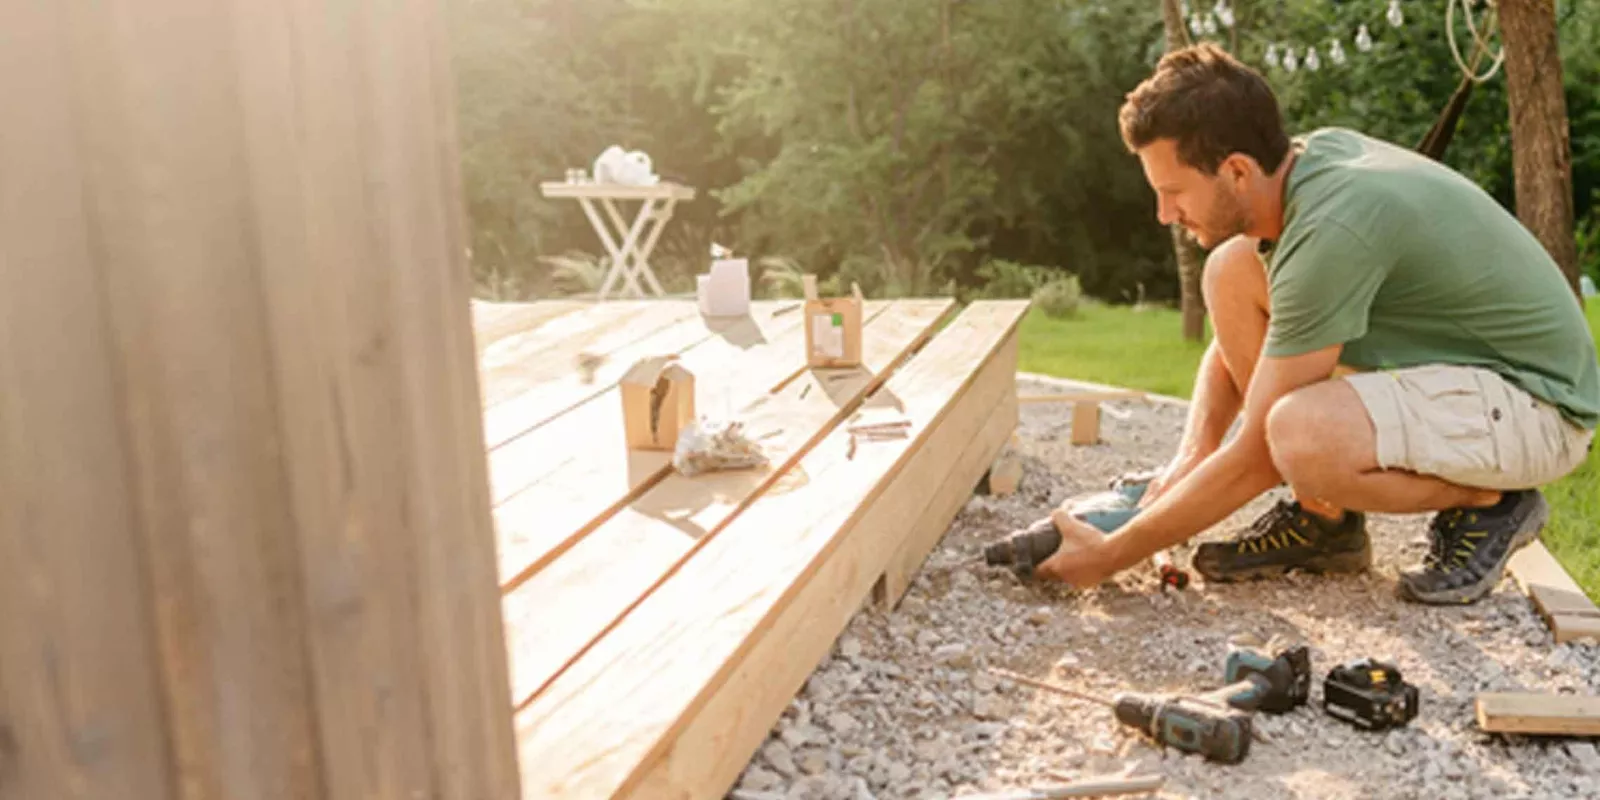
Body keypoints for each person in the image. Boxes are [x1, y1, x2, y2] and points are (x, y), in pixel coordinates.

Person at [1035, 43, 1599, 605]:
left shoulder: (1331, 230)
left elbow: (1258, 457)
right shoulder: (1302, 171)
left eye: (1173, 192)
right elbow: (1246, 343)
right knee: (1230, 271)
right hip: (1478, 382)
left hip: (1540, 407)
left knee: (1299, 436)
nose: (1164, 215)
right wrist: (1192, 458)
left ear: (1237, 170)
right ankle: (1325, 524)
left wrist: (1111, 554)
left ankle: (1493, 501)